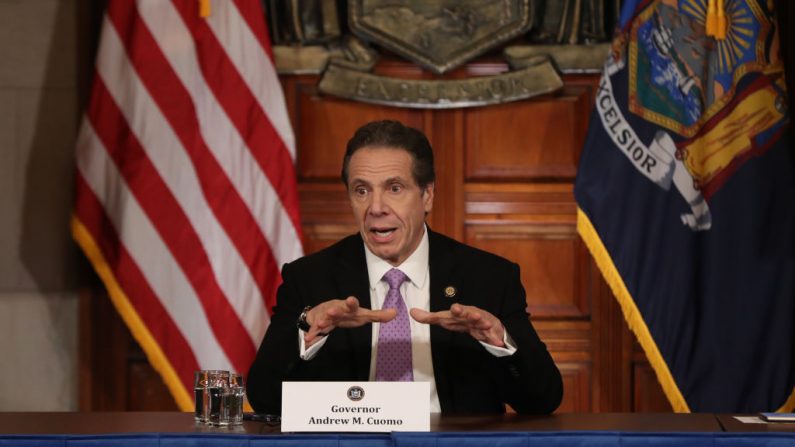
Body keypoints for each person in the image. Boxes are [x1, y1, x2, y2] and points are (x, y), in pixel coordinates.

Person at [247, 120, 562, 414]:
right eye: (361, 190)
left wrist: (500, 342)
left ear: (427, 195)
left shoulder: (487, 278)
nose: (377, 208)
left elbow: (542, 400)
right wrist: (307, 332)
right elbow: (264, 399)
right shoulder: (310, 279)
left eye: (394, 188)